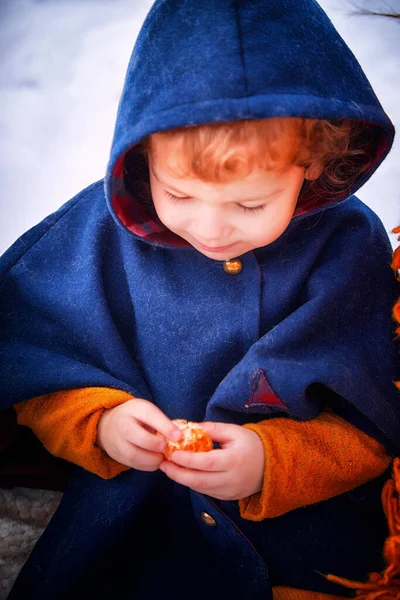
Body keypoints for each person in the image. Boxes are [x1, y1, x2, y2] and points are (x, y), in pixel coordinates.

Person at [0, 0, 399, 598]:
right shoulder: (96, 236)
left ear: (313, 162)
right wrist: (100, 425)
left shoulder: (348, 248)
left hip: (304, 546)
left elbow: (375, 426)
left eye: (250, 204)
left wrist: (273, 461)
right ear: (142, 156)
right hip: (132, 529)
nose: (211, 230)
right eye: (178, 194)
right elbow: (31, 368)